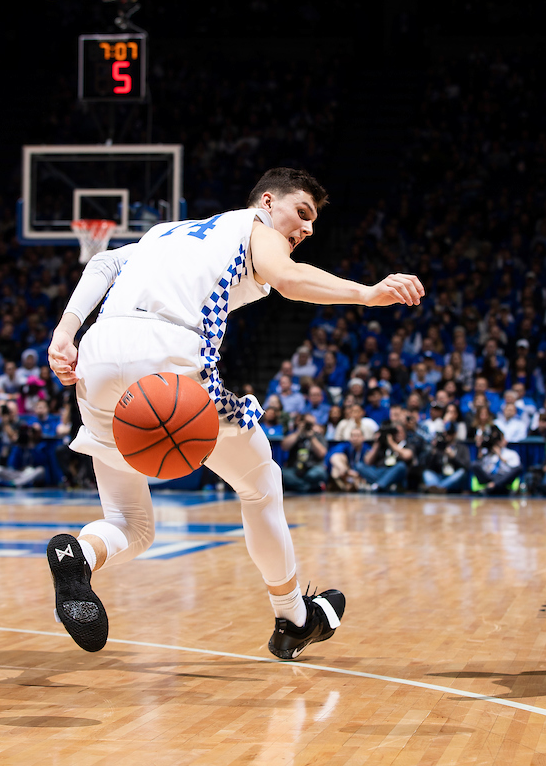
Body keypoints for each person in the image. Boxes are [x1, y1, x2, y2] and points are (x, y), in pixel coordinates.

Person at [46, 167, 424, 658]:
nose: (306, 228)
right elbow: (288, 279)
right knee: (261, 482)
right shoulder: (255, 227)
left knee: (130, 522)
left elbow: (102, 262)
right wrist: (367, 293)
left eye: (312, 222)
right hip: (166, 355)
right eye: (301, 212)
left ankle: (79, 555)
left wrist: (65, 331)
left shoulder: (166, 232)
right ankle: (293, 618)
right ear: (266, 202)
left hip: (96, 353)